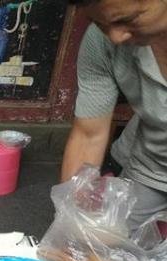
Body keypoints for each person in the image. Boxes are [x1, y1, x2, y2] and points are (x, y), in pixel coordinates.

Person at [61, 0, 167, 231]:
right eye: (99, 22)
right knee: (108, 245)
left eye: (127, 20)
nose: (116, 37)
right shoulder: (102, 42)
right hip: (153, 165)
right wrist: (68, 223)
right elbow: (89, 136)